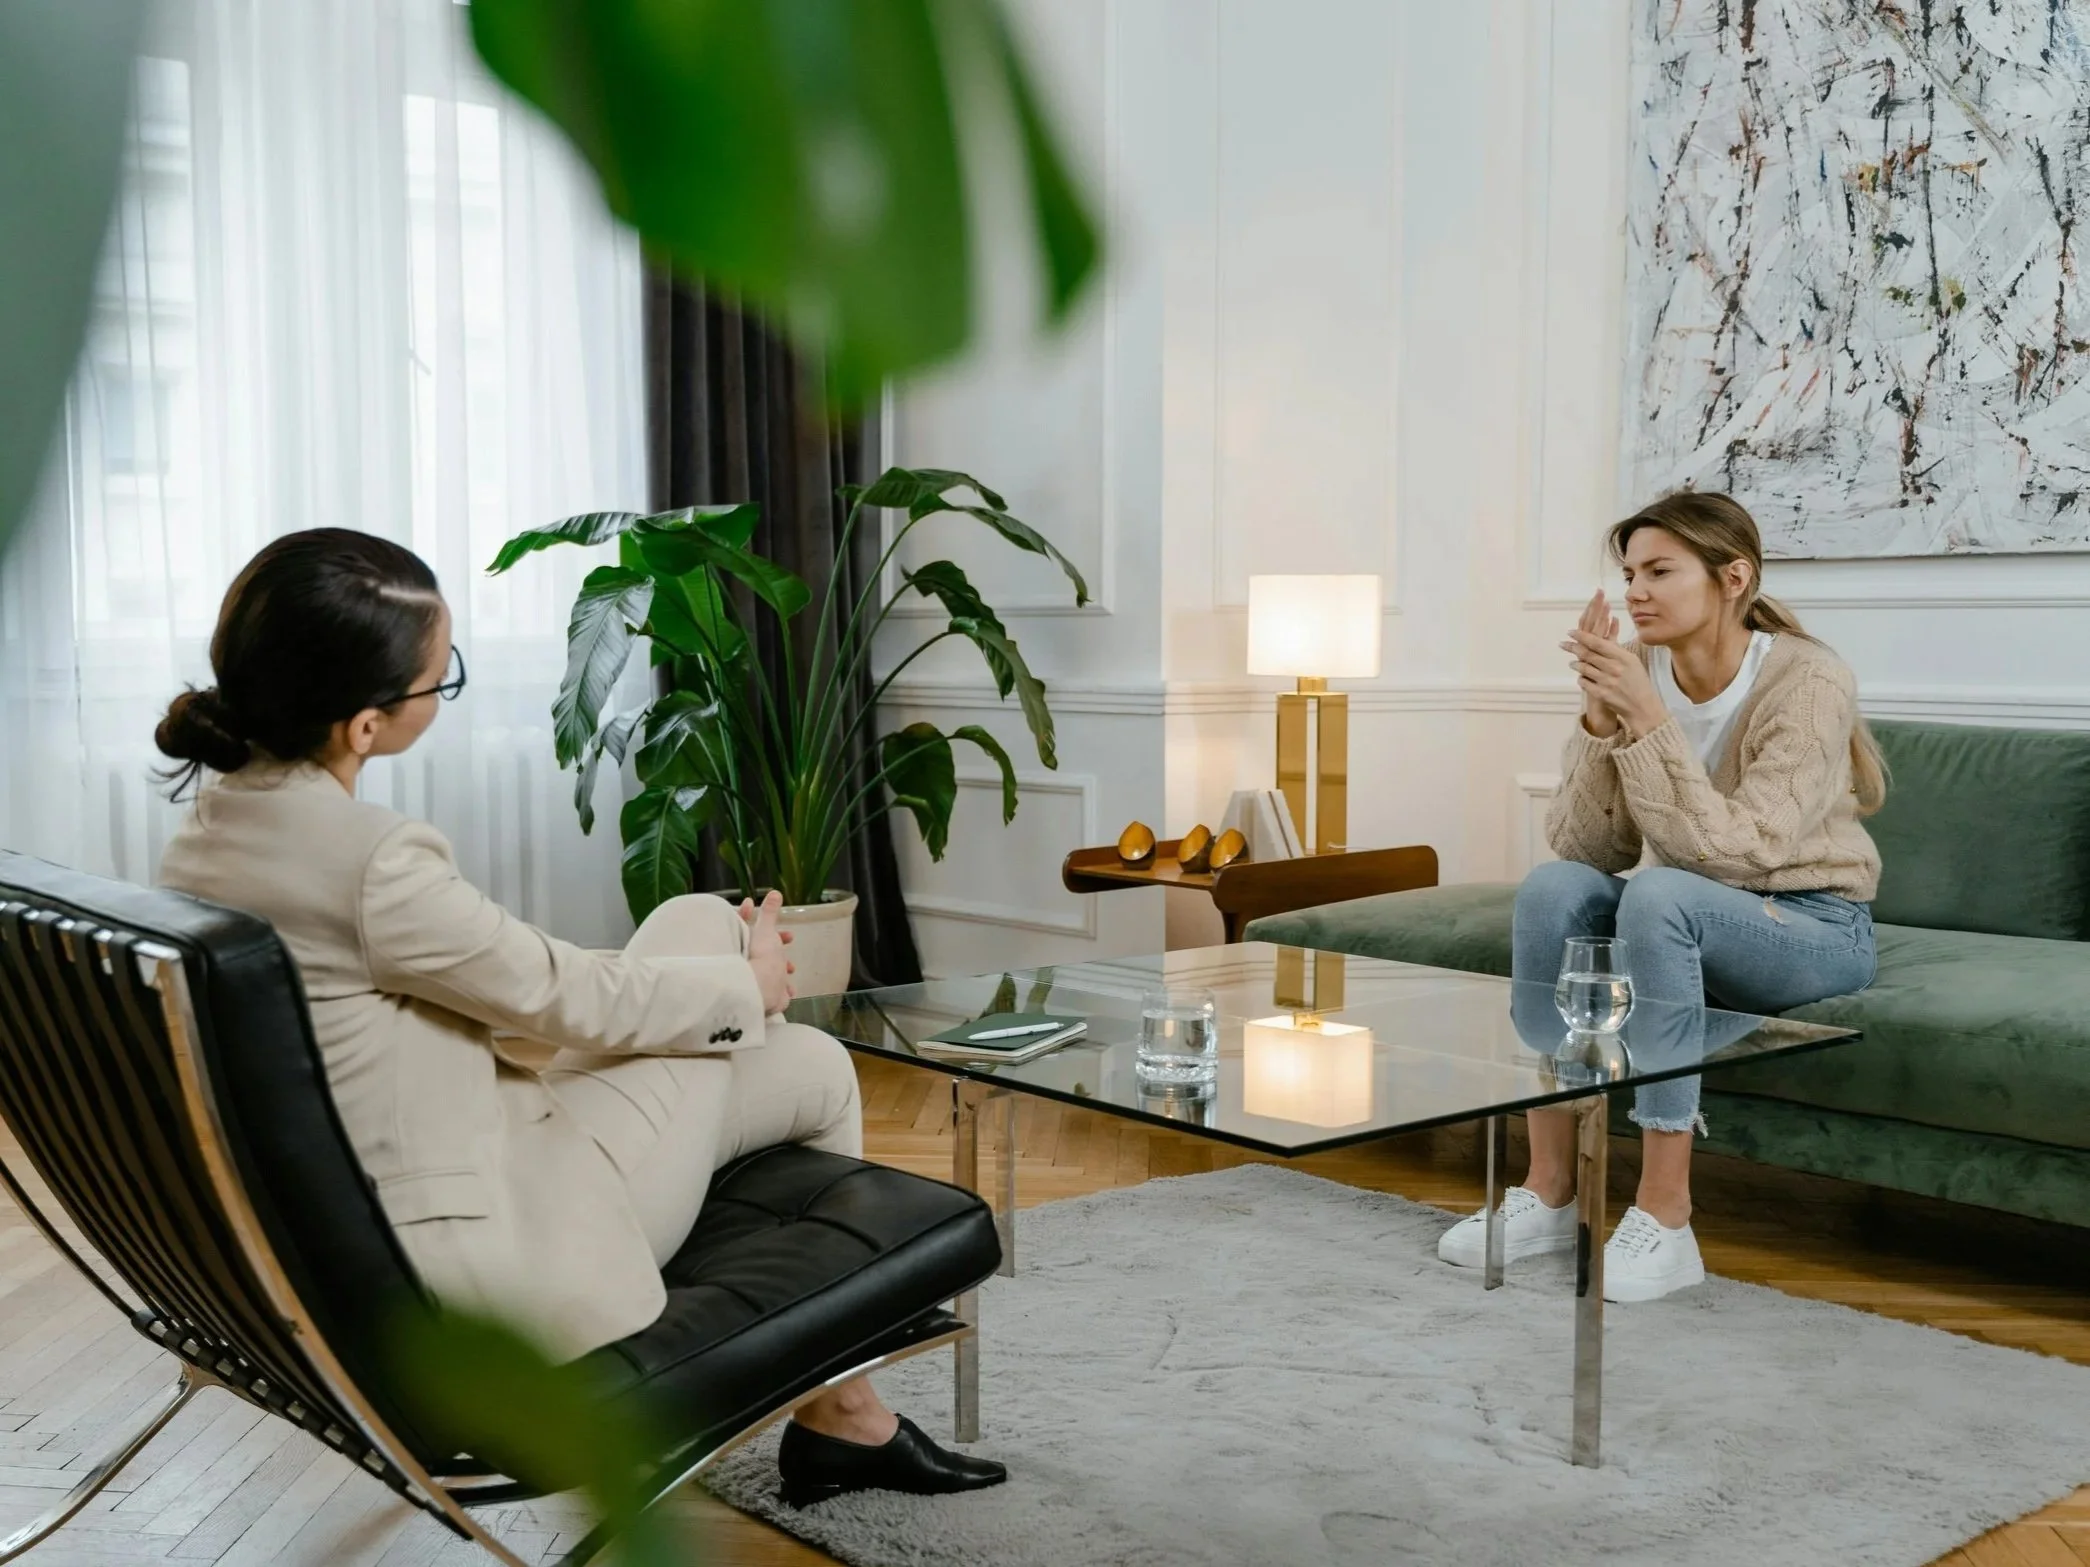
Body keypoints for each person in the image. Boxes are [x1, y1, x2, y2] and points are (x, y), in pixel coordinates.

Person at [154, 528, 1003, 1506]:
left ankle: (844, 1417)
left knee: (731, 963)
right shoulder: (368, 862)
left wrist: (728, 981)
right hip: (495, 1258)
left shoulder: (216, 831)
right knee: (774, 1015)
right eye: (442, 680)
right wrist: (749, 985)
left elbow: (514, 988)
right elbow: (567, 998)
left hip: (414, 1176)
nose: (443, 692)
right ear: (364, 725)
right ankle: (843, 1417)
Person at [1438, 492, 1883, 1302]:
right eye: (1629, 572)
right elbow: (1585, 849)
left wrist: (1647, 721)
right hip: (1691, 916)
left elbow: (1743, 853)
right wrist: (1602, 721)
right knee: (1552, 889)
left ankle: (1666, 1214)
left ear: (1732, 577)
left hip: (1812, 924)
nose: (1635, 590)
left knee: (1660, 899)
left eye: (1659, 571)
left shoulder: (1808, 679)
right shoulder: (1641, 670)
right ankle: (1547, 1189)